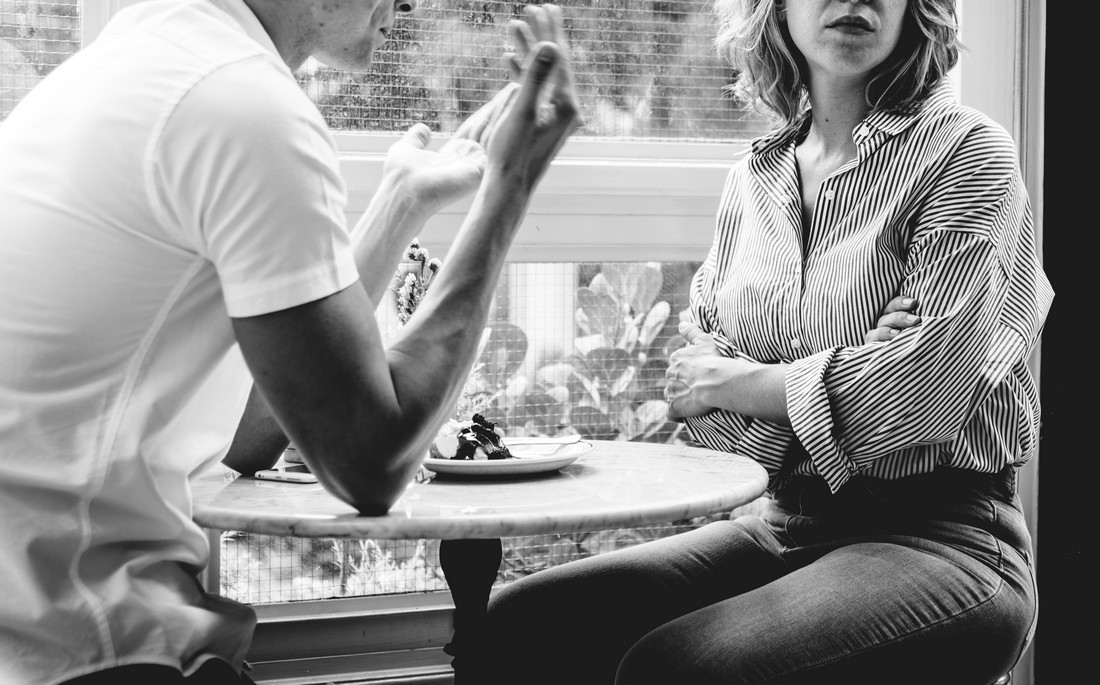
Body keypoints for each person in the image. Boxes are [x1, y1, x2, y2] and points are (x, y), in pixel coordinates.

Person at [0, 0, 579, 682]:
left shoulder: (127, 68)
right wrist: (509, 187)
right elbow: (372, 461)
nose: (412, 2)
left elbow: (250, 430)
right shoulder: (243, 102)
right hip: (97, 658)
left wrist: (400, 202)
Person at [477, 1, 1051, 684]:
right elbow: (705, 412)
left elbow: (924, 396)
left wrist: (748, 381)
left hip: (945, 539)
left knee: (676, 667)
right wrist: (857, 373)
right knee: (518, 624)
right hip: (785, 521)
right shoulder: (752, 180)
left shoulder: (968, 153)